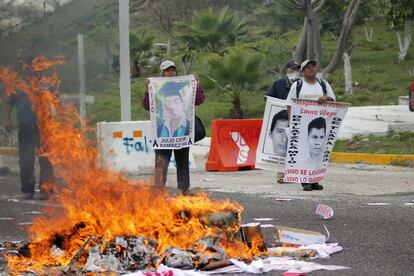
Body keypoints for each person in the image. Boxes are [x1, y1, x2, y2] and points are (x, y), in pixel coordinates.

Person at [142, 60, 205, 195]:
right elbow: (147, 106)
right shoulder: (156, 87)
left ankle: (184, 189)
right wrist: (148, 90)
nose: (170, 73)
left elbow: (199, 100)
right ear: (162, 73)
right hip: (163, 133)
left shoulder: (185, 86)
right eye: (167, 71)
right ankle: (158, 190)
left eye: (172, 70)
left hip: (182, 132)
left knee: (182, 161)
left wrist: (197, 86)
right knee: (161, 162)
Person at [3, 62, 56, 199]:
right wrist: (7, 119)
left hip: (43, 127)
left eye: (40, 66)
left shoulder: (48, 83)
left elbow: (56, 102)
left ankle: (46, 189)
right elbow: (9, 102)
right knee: (26, 159)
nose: (37, 69)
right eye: (33, 66)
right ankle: (27, 189)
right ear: (27, 69)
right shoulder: (18, 85)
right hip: (25, 126)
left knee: (46, 158)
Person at [286, 59, 335, 191]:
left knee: (317, 154)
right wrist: (291, 123)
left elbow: (333, 98)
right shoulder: (297, 85)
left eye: (313, 67)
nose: (311, 69)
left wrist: (325, 98)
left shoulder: (323, 84)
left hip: (319, 125)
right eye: (308, 68)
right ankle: (305, 180)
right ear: (303, 72)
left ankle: (315, 180)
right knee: (303, 153)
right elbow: (290, 104)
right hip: (301, 126)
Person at [265, 61, 300, 183]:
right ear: (287, 71)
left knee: (295, 147)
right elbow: (267, 97)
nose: (295, 72)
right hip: (282, 121)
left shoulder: (302, 85)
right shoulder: (278, 84)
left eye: (297, 70)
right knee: (283, 148)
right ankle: (281, 174)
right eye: (292, 69)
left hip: (297, 120)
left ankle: (295, 174)